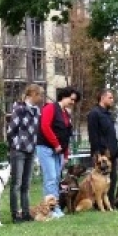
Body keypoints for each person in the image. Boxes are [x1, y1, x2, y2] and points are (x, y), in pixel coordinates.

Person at [36, 87, 80, 218]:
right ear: (64, 96)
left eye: (75, 100)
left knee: (56, 179)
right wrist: (55, 144)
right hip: (46, 148)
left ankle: (55, 207)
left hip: (59, 151)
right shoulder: (50, 108)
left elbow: (66, 135)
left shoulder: (66, 114)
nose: (73, 102)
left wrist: (65, 155)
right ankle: (51, 209)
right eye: (71, 99)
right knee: (50, 178)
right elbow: (45, 126)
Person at [7, 84, 44, 223]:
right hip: (19, 150)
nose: (41, 98)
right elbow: (11, 130)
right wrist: (16, 144)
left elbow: (35, 132)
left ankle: (26, 212)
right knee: (16, 183)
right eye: (39, 95)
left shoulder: (37, 111)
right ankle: (15, 214)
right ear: (32, 94)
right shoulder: (20, 109)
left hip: (31, 150)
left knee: (26, 184)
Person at [88, 89, 118, 205]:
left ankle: (110, 203)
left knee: (112, 180)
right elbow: (93, 135)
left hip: (112, 153)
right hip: (101, 154)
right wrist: (97, 154)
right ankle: (98, 204)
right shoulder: (94, 113)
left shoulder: (108, 114)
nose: (112, 100)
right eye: (110, 97)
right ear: (102, 97)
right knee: (99, 181)